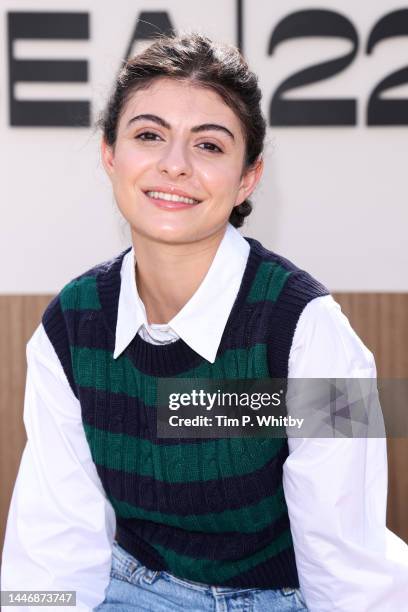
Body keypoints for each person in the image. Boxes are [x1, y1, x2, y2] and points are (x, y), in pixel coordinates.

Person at [2, 32, 408, 612]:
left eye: (210, 145)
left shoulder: (310, 330)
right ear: (110, 155)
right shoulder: (69, 325)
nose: (175, 165)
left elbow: (347, 560)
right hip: (130, 590)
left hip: (280, 598)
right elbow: (52, 548)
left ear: (248, 177)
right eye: (149, 135)